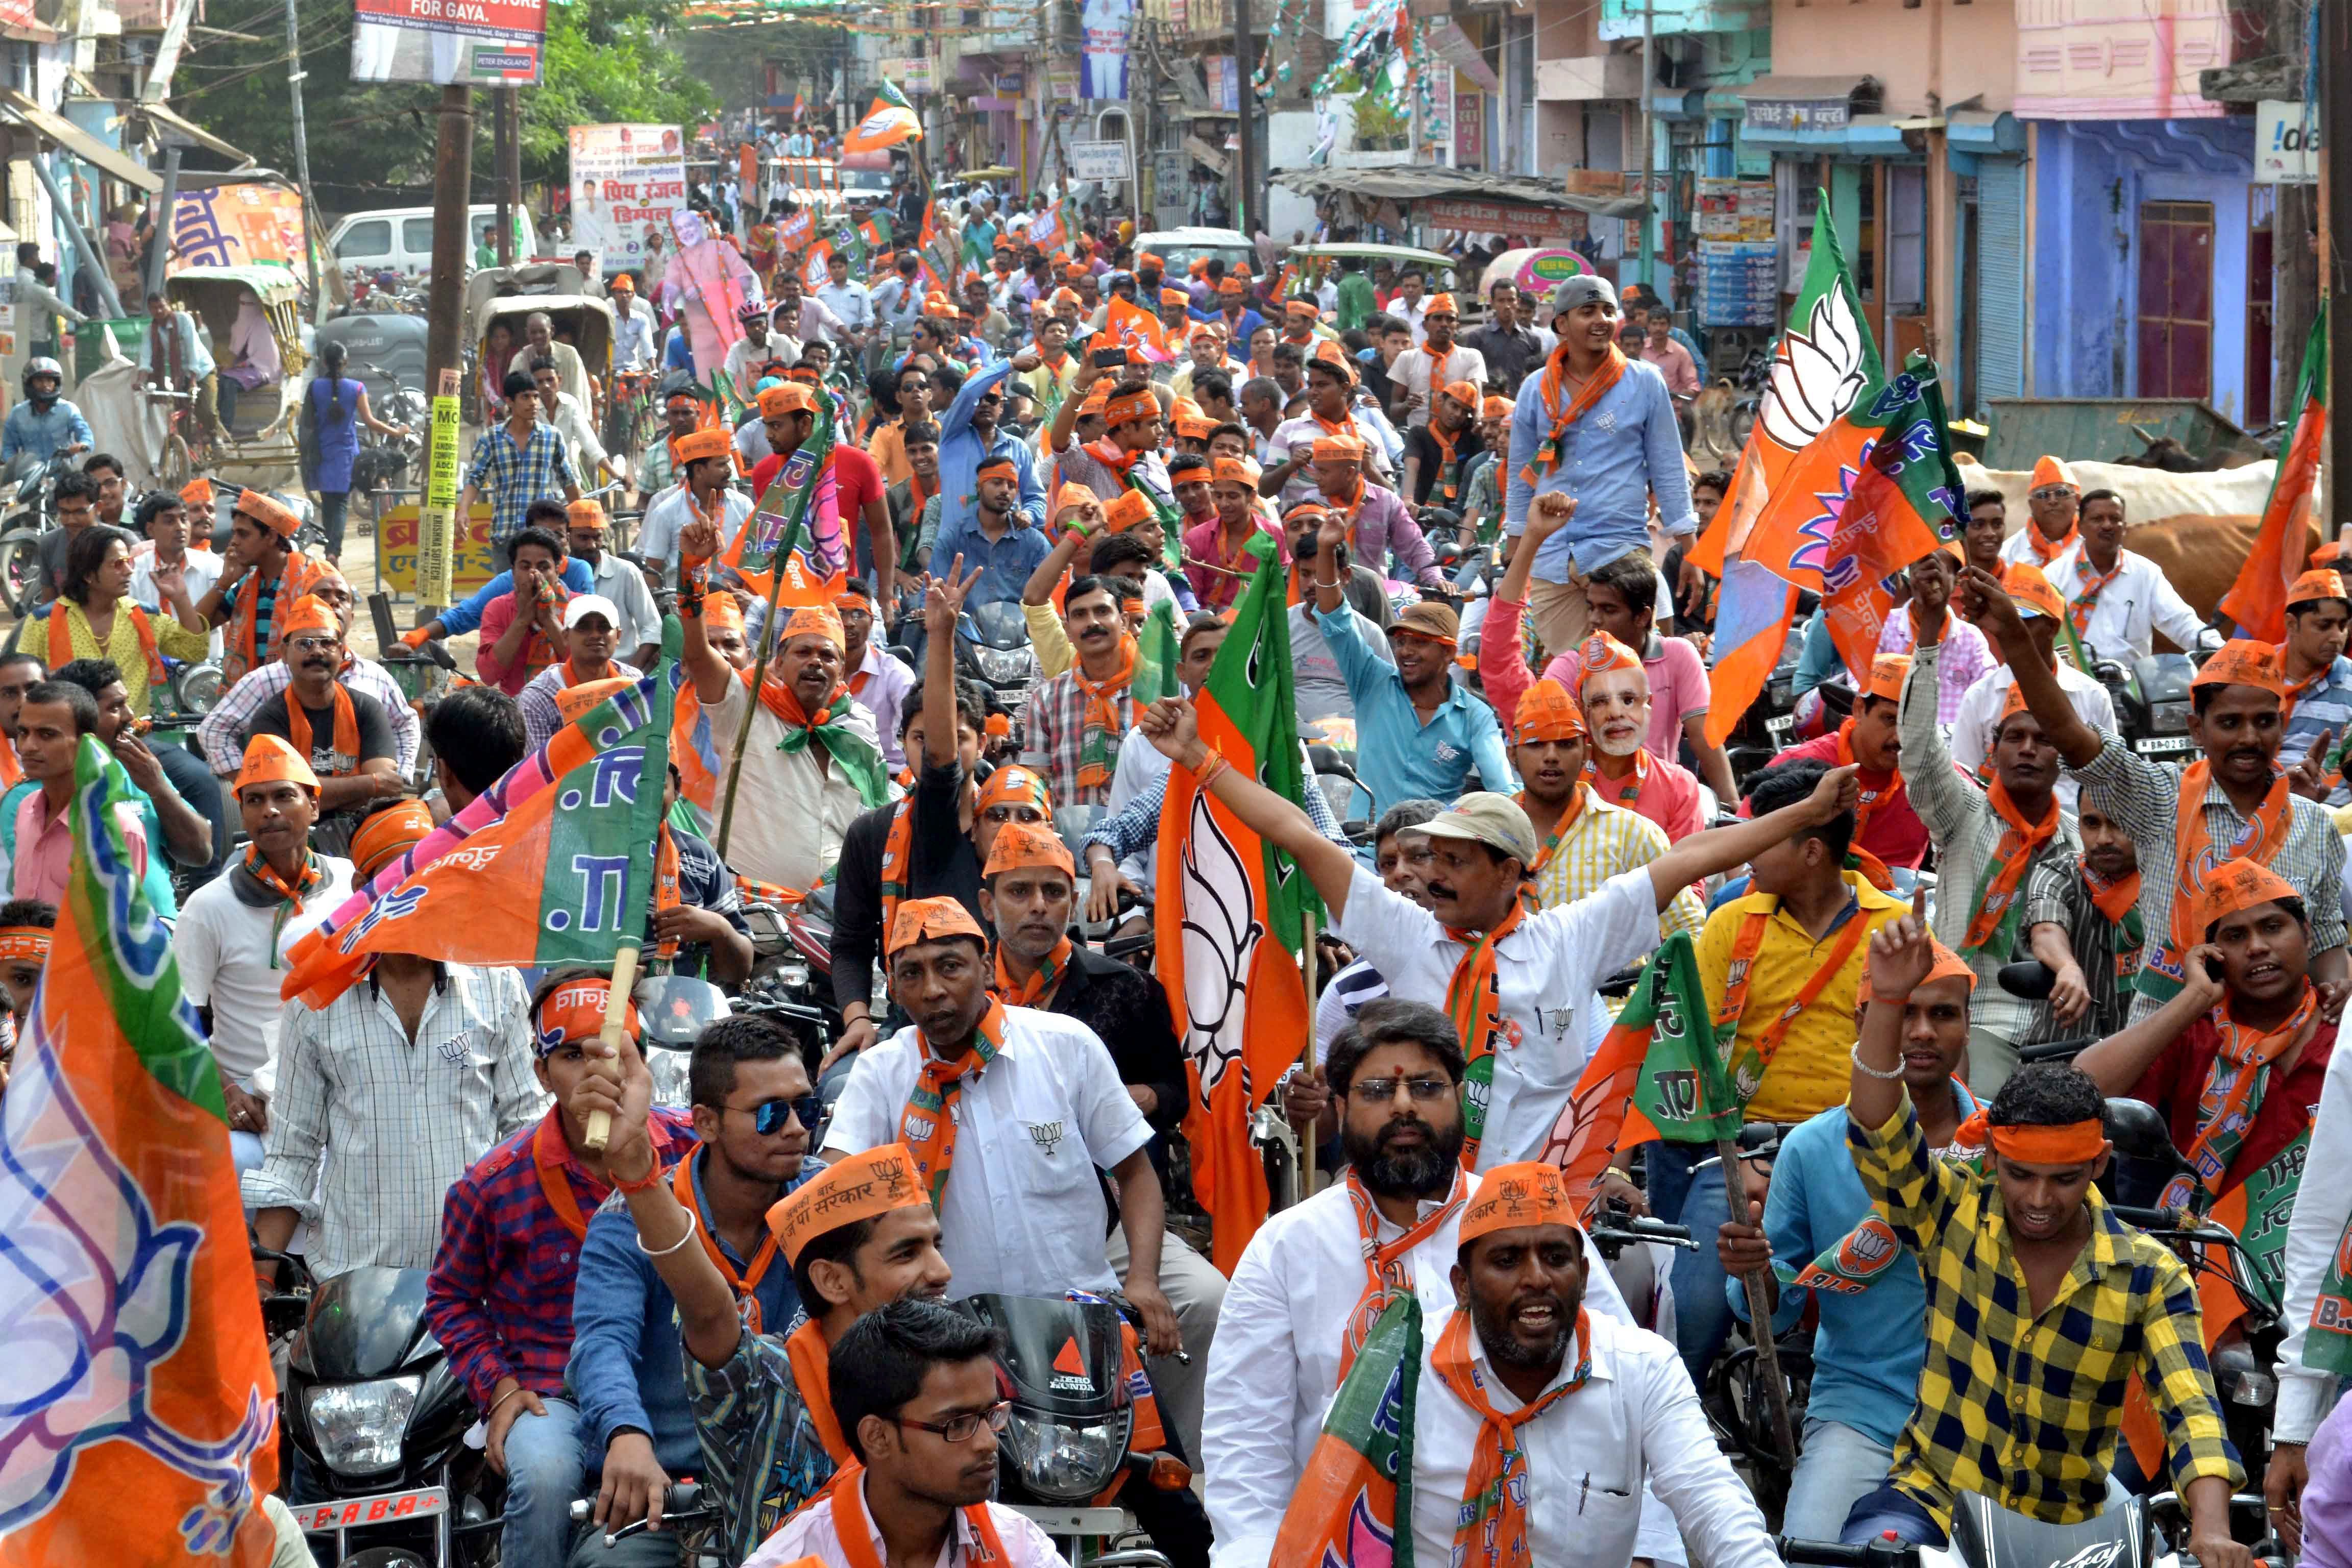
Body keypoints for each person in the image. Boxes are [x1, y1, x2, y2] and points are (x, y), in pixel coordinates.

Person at [1139, 691, 1861, 1173]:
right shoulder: (1406, 934)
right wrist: (1200, 761)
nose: (1432, 876)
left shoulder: (1570, 939)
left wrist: (1805, 813)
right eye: (1429, 857)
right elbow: (1300, 835)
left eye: (1455, 861)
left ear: (1511, 870)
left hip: (1547, 1205)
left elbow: (1691, 857)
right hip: (1425, 1195)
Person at [1206, 1001, 1693, 1568]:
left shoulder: (1528, 1230)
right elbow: (1245, 1447)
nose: (1405, 1107)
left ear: (1460, 1098)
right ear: (1339, 1106)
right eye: (1377, 1093)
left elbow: (1631, 1395)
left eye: (1427, 1086)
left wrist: (1651, 1551)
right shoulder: (1285, 1249)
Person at [1839, 918, 2246, 1565]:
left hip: (2071, 1534)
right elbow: (1879, 1129)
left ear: (2100, 1165)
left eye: (2063, 1179)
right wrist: (1886, 1002)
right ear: (1993, 1159)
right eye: (2019, 1173)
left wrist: (2213, 1529)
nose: (2036, 1199)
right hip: (1931, 1502)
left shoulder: (2152, 1275)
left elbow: (2191, 1410)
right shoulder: (1950, 1209)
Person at [1971, 564, 2351, 1020]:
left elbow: (2326, 942)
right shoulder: (2160, 798)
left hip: (2281, 1041)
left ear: (2281, 725)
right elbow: (2071, 735)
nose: (2249, 738)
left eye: (2264, 722)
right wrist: (2015, 640)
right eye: (2230, 723)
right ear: (2197, 729)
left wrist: (2337, 990)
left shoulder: (2313, 825)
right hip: (2167, 1034)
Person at [1642, 756, 1911, 1379]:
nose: (1748, 854)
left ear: (1813, 849)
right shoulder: (1730, 923)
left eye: (1763, 837)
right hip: (1747, 1155)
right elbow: (1689, 1056)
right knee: (1694, 1312)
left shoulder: (1895, 928)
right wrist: (1730, 1156)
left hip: (1860, 1153)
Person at [423, 973, 701, 1568]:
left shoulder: (694, 1150)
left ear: (640, 1061)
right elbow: (449, 1297)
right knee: (546, 1480)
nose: (596, 1072)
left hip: (678, 1383)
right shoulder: (493, 1184)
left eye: (611, 1050)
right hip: (555, 1395)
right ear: (541, 1072)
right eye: (572, 1055)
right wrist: (497, 1388)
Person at [1714, 936, 1981, 1539]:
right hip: (1860, 1409)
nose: (1922, 1032)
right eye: (1904, 1012)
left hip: (1991, 1416)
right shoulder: (1810, 1148)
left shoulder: (2010, 1144)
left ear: (1969, 1025)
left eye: (1942, 1014)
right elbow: (1773, 1312)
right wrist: (1752, 1269)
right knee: (1810, 1552)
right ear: (1868, 1021)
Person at [1400, 1160, 1779, 1568]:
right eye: (1507, 1260)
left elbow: (1713, 1500)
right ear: (1462, 1286)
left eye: (1556, 1257)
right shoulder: (1403, 1372)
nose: (1537, 1279)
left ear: (1583, 1277)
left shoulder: (1642, 1366)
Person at [246, 815, 542, 1281]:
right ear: (365, 887)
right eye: (406, 881)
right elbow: (293, 1153)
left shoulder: (497, 985)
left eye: (437, 879)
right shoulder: (318, 1002)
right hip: (353, 1286)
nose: (422, 898)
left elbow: (527, 1133)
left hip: (475, 1282)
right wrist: (259, 1283)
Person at [568, 1015, 818, 1553]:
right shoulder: (625, 1218)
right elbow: (602, 1344)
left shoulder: (825, 1203)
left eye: (807, 1107)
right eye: (771, 1114)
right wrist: (625, 1436)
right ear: (704, 1123)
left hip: (799, 1488)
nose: (797, 1128)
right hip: (667, 1491)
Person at [742, 1298, 1071, 1568]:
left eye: (991, 1416)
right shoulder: (792, 1559)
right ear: (877, 1437)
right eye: (957, 1424)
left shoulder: (1019, 1549)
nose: (988, 1443)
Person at [1902, 627, 2083, 1092]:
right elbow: (1920, 753)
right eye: (2015, 737)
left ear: (2062, 755)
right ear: (1993, 750)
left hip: (2066, 1027)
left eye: (2043, 739)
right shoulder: (1963, 811)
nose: (2027, 749)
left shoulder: (2080, 841)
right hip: (1973, 1017)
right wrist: (1926, 640)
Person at [174, 734, 354, 1169]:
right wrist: (226, 1092)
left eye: (283, 796)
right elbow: (177, 1022)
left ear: (314, 806)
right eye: (253, 800)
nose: (269, 810)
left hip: (344, 1086)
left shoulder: (352, 884)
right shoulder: (208, 907)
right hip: (247, 1098)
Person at [675, 532, 889, 891]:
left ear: (841, 670)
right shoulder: (743, 705)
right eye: (803, 653)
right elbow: (697, 654)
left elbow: (875, 812)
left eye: (827, 656)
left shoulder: (859, 726)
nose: (815, 663)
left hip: (837, 913)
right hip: (751, 911)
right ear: (779, 662)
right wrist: (694, 568)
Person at [1505, 276, 1697, 654]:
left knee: (1635, 675)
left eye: (1609, 311)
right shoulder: (1534, 388)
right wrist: (1516, 553)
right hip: (1551, 559)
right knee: (1571, 677)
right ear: (1561, 323)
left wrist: (1689, 548)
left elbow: (1668, 465)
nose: (1601, 320)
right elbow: (1520, 475)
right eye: (1588, 311)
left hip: (1620, 551)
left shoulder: (1645, 382)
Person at [1306, 509, 1506, 807]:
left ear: (1450, 652)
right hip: (1364, 845)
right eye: (1401, 642)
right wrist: (1325, 549)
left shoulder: (1475, 717)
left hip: (1433, 848)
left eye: (1421, 643)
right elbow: (1336, 619)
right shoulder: (1372, 681)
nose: (1406, 652)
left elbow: (1503, 789)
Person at [1504, 677, 1704, 937]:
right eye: (1536, 744)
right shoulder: (1485, 833)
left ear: (1586, 754)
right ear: (1512, 756)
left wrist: (1649, 979)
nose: (1551, 756)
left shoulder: (1632, 835)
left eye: (1565, 744)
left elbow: (1689, 930)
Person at [239, 594, 403, 853]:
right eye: (304, 644)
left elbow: (387, 787)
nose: (317, 651)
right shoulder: (270, 718)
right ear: (284, 654)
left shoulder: (366, 708)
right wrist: (366, 784)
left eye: (327, 643)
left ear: (341, 651)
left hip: (364, 830)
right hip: (294, 840)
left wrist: (313, 790)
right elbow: (282, 799)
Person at [1948, 563, 2119, 802]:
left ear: (2053, 627)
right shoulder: (1979, 697)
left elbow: (2110, 782)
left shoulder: (2093, 696)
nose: (2013, 631)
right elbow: (1962, 780)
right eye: (2007, 621)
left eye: (2023, 621)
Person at [52, 656, 219, 888]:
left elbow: (200, 853)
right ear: (78, 718)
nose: (130, 715)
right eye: (115, 707)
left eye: (125, 703)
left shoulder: (138, 773)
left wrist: (158, 787)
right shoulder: (40, 791)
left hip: (161, 922)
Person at [14, 523, 209, 717]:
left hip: (135, 735)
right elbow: (22, 685)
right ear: (89, 575)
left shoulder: (145, 616)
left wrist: (181, 599)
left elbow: (195, 651)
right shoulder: (42, 623)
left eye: (128, 562)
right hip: (70, 740)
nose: (128, 571)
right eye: (118, 564)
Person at [9, 678, 149, 914]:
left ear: (86, 744)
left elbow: (116, 933)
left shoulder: (117, 830)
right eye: (24, 733)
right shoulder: (26, 809)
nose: (28, 746)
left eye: (47, 735)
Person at [2019, 794, 2144, 1046]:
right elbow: (2045, 929)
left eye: (2118, 823)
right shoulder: (2058, 873)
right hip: (2067, 1059)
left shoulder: (2171, 882)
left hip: (2154, 1056)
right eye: (2091, 823)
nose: (2104, 839)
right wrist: (2067, 967)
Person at [2042, 488, 2207, 662]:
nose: (2107, 525)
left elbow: (2180, 622)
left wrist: (2218, 650)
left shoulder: (2146, 573)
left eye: (2115, 519)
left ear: (2125, 528)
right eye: (2098, 519)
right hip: (2075, 681)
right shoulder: (2054, 576)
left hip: (2131, 682)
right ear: (2080, 528)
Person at [932, 368, 1049, 605]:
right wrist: (1011, 364)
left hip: (1008, 549)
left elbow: (1036, 497)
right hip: (958, 549)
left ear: (1002, 406)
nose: (984, 404)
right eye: (978, 400)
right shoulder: (951, 438)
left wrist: (1028, 514)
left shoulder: (1018, 448)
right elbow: (966, 393)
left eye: (992, 399)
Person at [196, 487, 333, 687]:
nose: (234, 542)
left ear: (270, 536)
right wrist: (225, 582)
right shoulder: (247, 585)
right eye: (234, 533)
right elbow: (196, 628)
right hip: (253, 695)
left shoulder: (311, 581)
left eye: (243, 534)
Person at [301, 340, 407, 565]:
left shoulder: (314, 387)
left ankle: (331, 550)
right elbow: (371, 422)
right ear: (345, 363)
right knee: (340, 504)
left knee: (329, 503)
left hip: (321, 455)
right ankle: (333, 552)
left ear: (323, 362)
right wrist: (396, 433)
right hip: (347, 456)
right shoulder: (357, 388)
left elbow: (308, 423)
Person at [1259, 350, 1399, 511]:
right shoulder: (1288, 430)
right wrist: (1291, 466)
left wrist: (1369, 468)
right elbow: (1265, 490)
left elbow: (1390, 496)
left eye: (1322, 385)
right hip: (1304, 526)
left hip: (1358, 524)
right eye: (1311, 385)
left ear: (1345, 388)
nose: (1313, 392)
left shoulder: (1368, 433)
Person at [1874, 548, 1999, 724]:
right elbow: (1861, 691)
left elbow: (1990, 699)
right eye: (1923, 567)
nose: (1930, 577)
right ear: (1910, 573)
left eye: (1941, 570)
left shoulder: (1971, 639)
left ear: (1957, 580)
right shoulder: (1883, 627)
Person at [460, 370, 582, 549]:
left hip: (544, 537)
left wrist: (581, 516)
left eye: (535, 397)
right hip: (505, 535)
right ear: (509, 401)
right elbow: (475, 479)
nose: (533, 403)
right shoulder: (491, 439)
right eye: (525, 397)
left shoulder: (552, 437)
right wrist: (463, 511)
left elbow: (568, 480)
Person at [518, 595, 641, 752]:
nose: (596, 635)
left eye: (604, 627)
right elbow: (539, 771)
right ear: (566, 636)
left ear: (618, 636)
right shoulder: (540, 698)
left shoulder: (636, 683)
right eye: (583, 627)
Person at [638, 428, 752, 586]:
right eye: (721, 464)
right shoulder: (665, 512)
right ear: (699, 470)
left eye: (728, 463)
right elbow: (653, 569)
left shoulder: (743, 505)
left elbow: (755, 560)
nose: (729, 470)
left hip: (733, 604)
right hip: (683, 604)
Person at [476, 528, 578, 697]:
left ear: (557, 570)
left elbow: (586, 665)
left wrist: (550, 620)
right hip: (517, 710)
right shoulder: (497, 608)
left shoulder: (578, 604)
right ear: (513, 571)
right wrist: (523, 619)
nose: (534, 574)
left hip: (572, 706)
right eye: (525, 567)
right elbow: (488, 675)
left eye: (543, 567)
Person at [565, 499, 663, 670]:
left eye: (597, 537)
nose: (592, 545)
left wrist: (632, 671)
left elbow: (653, 628)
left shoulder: (626, 572)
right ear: (568, 537)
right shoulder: (557, 575)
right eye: (583, 538)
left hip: (621, 668)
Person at [129, 486, 225, 629]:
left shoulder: (213, 566)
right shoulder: (135, 571)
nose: (180, 527)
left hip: (204, 650)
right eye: (169, 521)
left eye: (184, 519)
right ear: (150, 530)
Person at [140, 293, 220, 448]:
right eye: (154, 308)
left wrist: (193, 381)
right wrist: (139, 381)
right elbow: (145, 358)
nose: (158, 311)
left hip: (202, 371)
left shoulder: (183, 320)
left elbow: (192, 350)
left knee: (207, 410)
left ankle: (215, 436)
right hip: (180, 376)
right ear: (149, 310)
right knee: (181, 418)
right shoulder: (150, 331)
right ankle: (187, 456)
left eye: (161, 306)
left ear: (168, 305)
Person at [531, 355, 617, 495]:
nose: (546, 386)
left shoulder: (570, 404)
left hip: (569, 485)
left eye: (550, 380)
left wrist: (616, 475)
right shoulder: (529, 409)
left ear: (559, 380)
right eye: (540, 382)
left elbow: (590, 444)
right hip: (537, 487)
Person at [1399, 380, 1486, 514]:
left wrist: (1480, 426)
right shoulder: (1419, 434)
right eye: (1454, 406)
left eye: (1465, 412)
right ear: (1440, 402)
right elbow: (1411, 469)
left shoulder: (1472, 437)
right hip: (1420, 511)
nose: (1458, 415)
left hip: (1460, 515)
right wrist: (1407, 499)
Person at [27, 470, 104, 609]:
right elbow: (49, 603)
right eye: (65, 512)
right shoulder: (49, 544)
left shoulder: (121, 543)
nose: (71, 520)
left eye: (80, 512)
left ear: (98, 507)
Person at [1997, 455, 2084, 567]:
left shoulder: (2093, 547)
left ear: (2077, 501)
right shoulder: (2007, 556)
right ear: (2031, 505)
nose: (2053, 501)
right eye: (2042, 495)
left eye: (2061, 493)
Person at [504, 310, 595, 412]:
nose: (538, 336)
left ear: (552, 330)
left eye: (542, 331)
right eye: (534, 333)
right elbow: (512, 395)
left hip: (567, 416)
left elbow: (580, 391)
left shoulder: (570, 354)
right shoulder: (520, 360)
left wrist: (582, 421)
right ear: (527, 334)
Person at [1463, 279, 1545, 391]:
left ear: (1518, 302)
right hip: (1489, 405)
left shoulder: (1533, 340)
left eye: (1511, 300)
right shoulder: (1477, 338)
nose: (1507, 306)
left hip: (1521, 404)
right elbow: (1471, 379)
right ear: (1492, 304)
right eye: (1501, 301)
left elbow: (1537, 379)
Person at [1639, 303, 1701, 399]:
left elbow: (1692, 384)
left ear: (1670, 327)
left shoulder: (1681, 352)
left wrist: (1690, 392)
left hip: (1673, 406)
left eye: (1663, 324)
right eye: (1654, 324)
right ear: (1648, 326)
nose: (1658, 328)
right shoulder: (1640, 349)